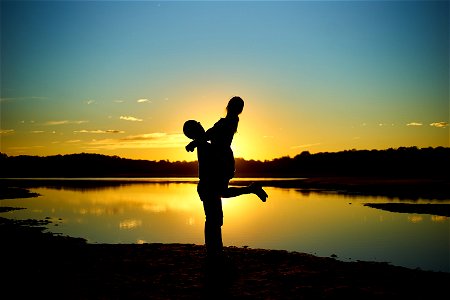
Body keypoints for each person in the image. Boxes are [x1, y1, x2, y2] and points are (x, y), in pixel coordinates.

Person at [183, 120, 267, 261]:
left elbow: (211, 137)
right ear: (195, 132)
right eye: (197, 126)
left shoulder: (203, 143)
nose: (201, 125)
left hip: (210, 185)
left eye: (199, 124)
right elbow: (210, 144)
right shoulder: (203, 145)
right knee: (213, 220)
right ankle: (213, 251)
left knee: (215, 218)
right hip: (207, 186)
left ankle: (215, 250)